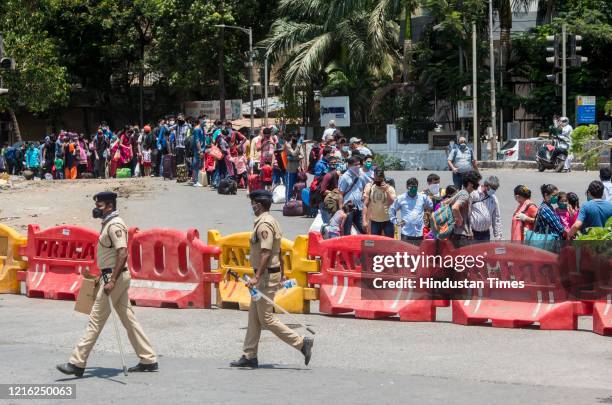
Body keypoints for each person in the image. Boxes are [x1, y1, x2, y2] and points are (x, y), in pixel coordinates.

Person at [56, 192, 158, 377]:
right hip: (111, 276)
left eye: (100, 205)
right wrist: (99, 276)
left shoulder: (115, 225)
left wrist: (111, 280)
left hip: (115, 279)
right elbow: (111, 257)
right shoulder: (107, 224)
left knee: (96, 319)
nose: (97, 209)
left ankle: (77, 362)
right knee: (128, 318)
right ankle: (148, 359)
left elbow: (123, 253)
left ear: (109, 205)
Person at [230, 190, 313, 369]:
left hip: (265, 276)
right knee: (254, 315)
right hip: (270, 273)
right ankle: (249, 355)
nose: (251, 206)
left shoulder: (264, 225)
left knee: (266, 318)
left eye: (252, 203)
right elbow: (279, 249)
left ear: (258, 205)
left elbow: (267, 252)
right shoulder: (270, 221)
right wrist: (282, 272)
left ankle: (301, 343)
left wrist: (257, 276)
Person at [389, 177, 433, 243]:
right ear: (407, 187)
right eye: (411, 187)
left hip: (419, 232)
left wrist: (428, 220)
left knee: (419, 252)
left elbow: (431, 207)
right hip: (406, 233)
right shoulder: (401, 198)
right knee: (406, 252)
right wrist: (396, 222)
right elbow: (392, 210)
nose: (413, 189)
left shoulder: (423, 197)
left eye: (415, 187)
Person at [338, 156, 370, 234]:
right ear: (349, 165)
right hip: (348, 208)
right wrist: (341, 210)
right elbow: (340, 194)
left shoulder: (361, 175)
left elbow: (369, 183)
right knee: (347, 231)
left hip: (359, 207)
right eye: (355, 164)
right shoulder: (345, 177)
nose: (358, 166)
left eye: (359, 164)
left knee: (363, 229)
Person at [446, 170, 481, 241]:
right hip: (461, 235)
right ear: (470, 183)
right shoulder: (464, 194)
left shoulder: (461, 192)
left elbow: (446, 202)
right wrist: (460, 220)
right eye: (477, 182)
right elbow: (455, 208)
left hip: (459, 234)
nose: (478, 184)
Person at [362, 168, 396, 237]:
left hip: (388, 221)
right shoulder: (370, 187)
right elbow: (365, 204)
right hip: (375, 222)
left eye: (380, 180)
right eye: (376, 179)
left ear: (383, 178)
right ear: (374, 177)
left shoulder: (390, 188)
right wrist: (364, 220)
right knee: (376, 244)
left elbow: (394, 203)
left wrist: (387, 191)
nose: (378, 181)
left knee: (389, 243)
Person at [469, 175, 502, 241]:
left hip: (486, 234)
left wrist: (498, 235)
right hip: (473, 233)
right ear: (487, 186)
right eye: (493, 189)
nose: (494, 191)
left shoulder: (494, 198)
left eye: (495, 189)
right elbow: (467, 214)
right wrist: (469, 230)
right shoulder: (474, 194)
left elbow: (496, 217)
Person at [284, 134, 303, 200]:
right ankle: (287, 203)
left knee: (297, 187)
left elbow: (302, 155)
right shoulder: (288, 145)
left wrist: (293, 158)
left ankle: (295, 203)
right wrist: (298, 147)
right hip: (290, 169)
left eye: (297, 136)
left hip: (297, 169)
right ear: (292, 137)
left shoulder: (299, 145)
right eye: (294, 136)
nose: (295, 138)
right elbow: (294, 153)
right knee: (289, 187)